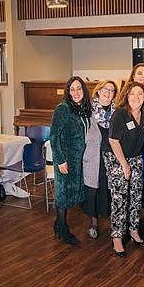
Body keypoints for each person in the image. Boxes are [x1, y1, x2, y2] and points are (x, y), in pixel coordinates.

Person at [107, 81, 144, 257]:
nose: (136, 97)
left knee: (136, 196)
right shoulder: (120, 114)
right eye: (132, 94)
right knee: (120, 198)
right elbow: (113, 140)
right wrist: (124, 164)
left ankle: (134, 230)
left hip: (136, 159)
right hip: (118, 159)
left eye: (140, 94)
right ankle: (117, 237)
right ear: (126, 95)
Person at [50, 76, 92, 245]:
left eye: (79, 89)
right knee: (63, 194)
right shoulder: (63, 108)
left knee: (71, 193)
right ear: (68, 91)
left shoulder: (82, 108)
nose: (76, 92)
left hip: (78, 159)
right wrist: (60, 160)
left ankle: (59, 224)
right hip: (65, 158)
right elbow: (54, 137)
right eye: (72, 89)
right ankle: (62, 227)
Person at [83, 80, 117, 239]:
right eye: (105, 89)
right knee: (93, 191)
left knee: (110, 190)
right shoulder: (88, 110)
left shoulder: (117, 112)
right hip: (93, 156)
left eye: (111, 90)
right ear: (98, 91)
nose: (108, 92)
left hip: (111, 155)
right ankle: (94, 223)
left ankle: (113, 223)